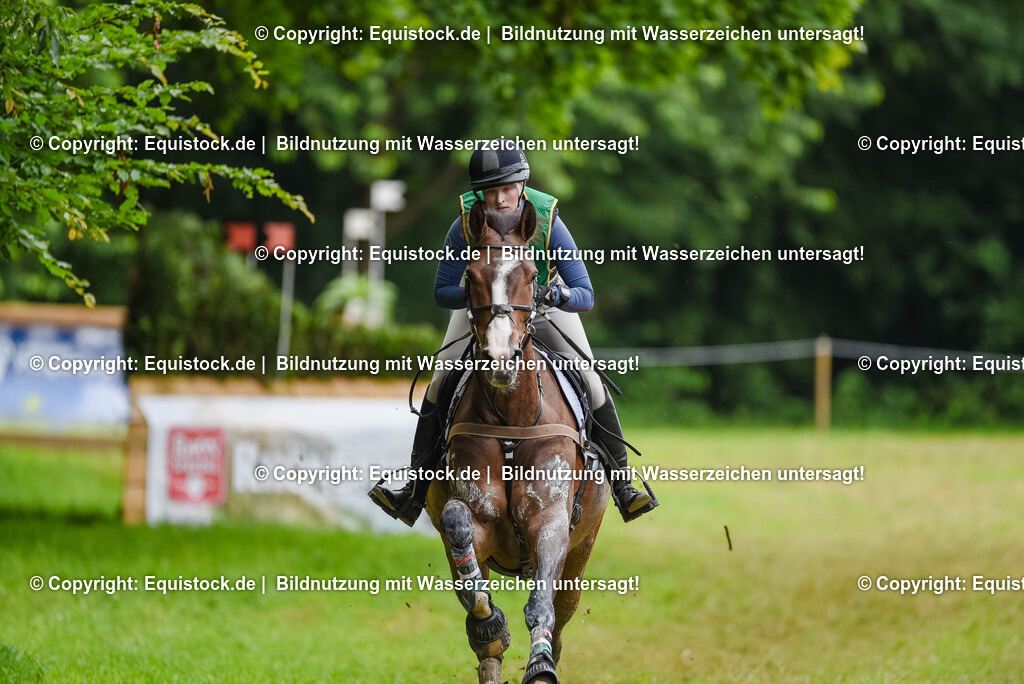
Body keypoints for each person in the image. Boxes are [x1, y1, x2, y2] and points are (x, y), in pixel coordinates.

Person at [369, 139, 657, 525]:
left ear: (522, 185)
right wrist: (480, 297)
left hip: (542, 309)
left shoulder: (548, 218)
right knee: (439, 383)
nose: (500, 199)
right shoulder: (465, 224)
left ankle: (623, 487)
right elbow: (442, 292)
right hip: (484, 312)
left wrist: (551, 293)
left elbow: (585, 295)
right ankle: (413, 491)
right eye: (490, 191)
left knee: (591, 380)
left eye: (507, 189)